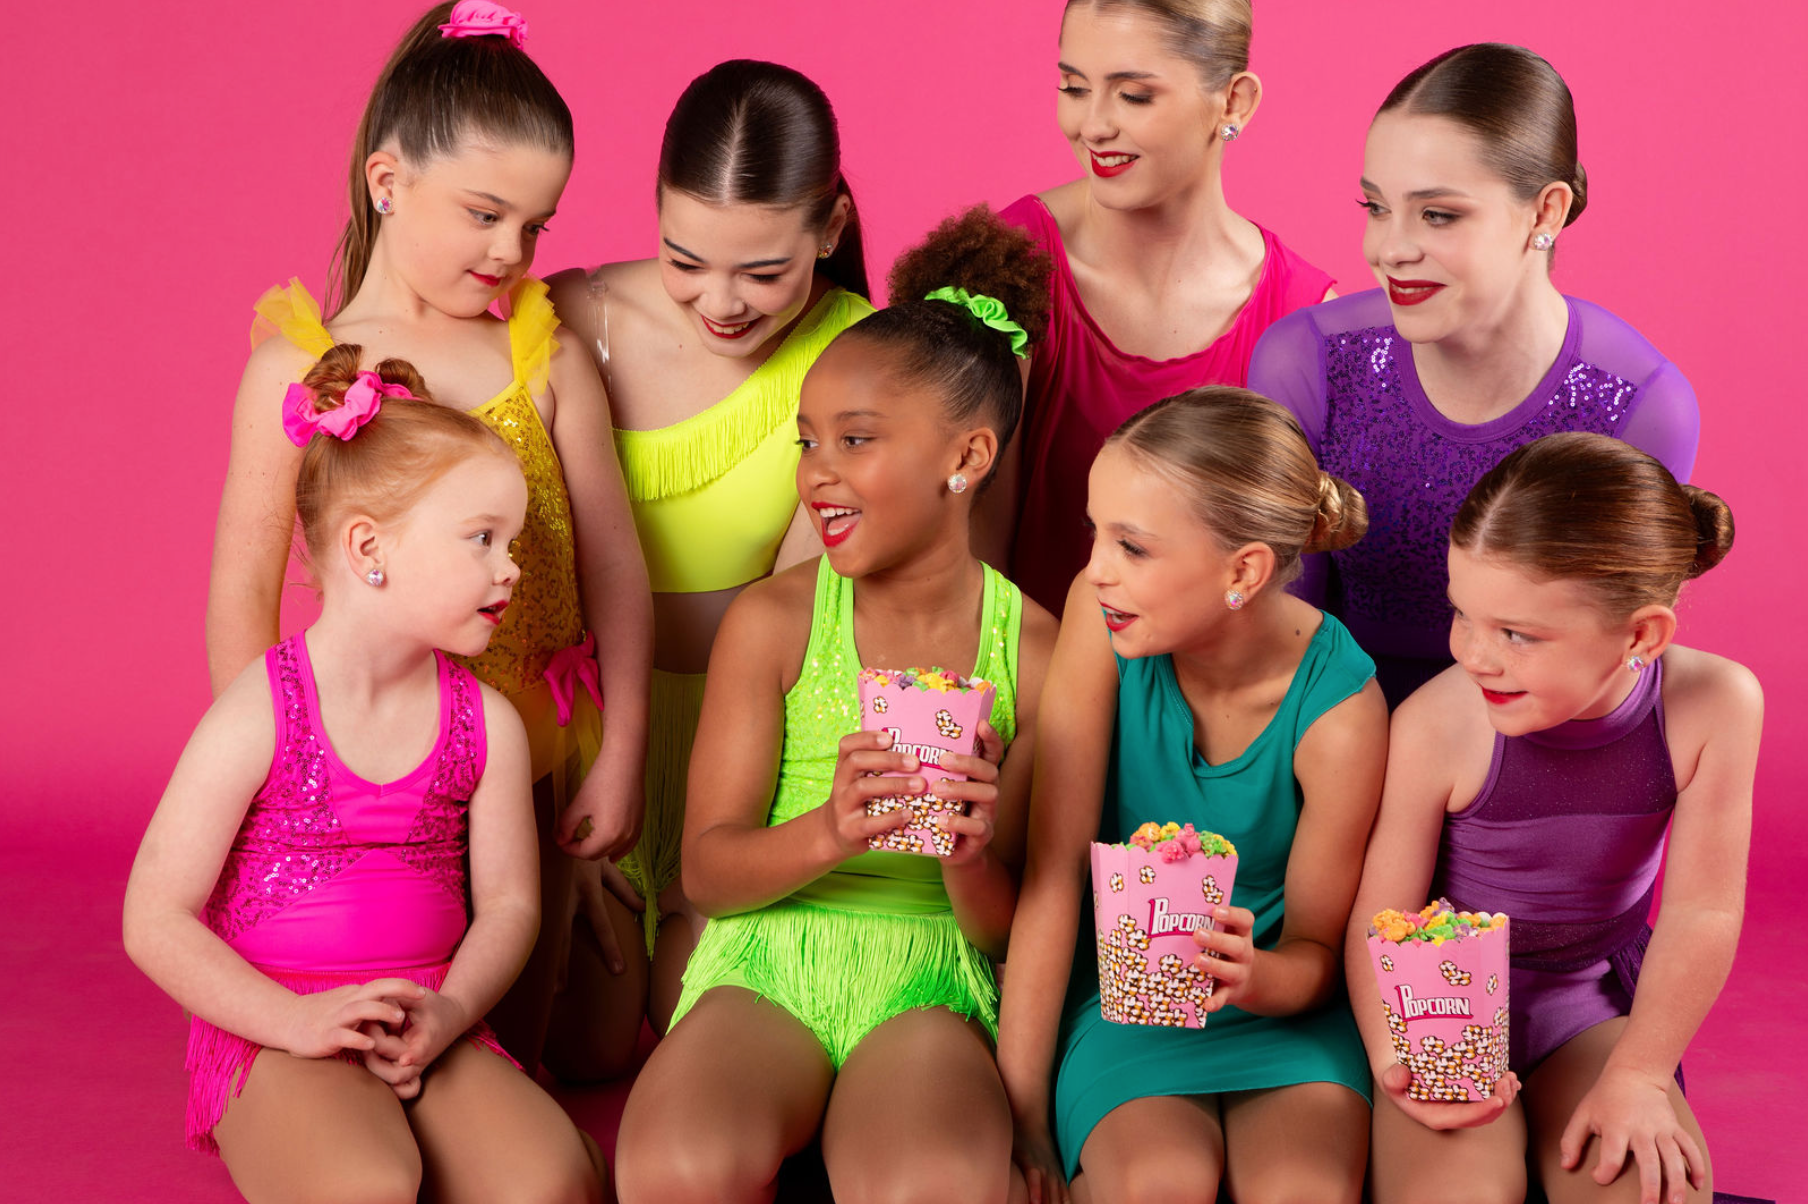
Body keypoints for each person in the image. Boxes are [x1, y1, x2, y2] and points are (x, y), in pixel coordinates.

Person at [204, 0, 652, 1073]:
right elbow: (242, 594)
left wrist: (621, 750)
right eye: (486, 214)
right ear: (387, 180)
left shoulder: (543, 358)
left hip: (524, 758)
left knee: (571, 1049)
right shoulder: (299, 368)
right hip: (370, 761)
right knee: (383, 1043)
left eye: (536, 227)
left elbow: (614, 568)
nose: (512, 251)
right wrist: (281, 775)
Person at [613, 207, 1058, 1204]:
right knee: (669, 1168)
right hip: (767, 954)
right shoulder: (773, 622)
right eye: (808, 439)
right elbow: (708, 873)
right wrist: (829, 828)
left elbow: (1013, 933)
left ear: (966, 459)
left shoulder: (1035, 648)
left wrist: (968, 854)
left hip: (931, 973)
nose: (817, 472)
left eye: (854, 441)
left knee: (933, 1183)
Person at [124, 349, 601, 1202]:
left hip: (428, 1011)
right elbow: (153, 916)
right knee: (368, 1186)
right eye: (482, 539)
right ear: (369, 547)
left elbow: (511, 906)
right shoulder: (259, 712)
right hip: (274, 1020)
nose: (512, 568)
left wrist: (451, 1012)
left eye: (513, 541)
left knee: (553, 1183)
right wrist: (296, 1022)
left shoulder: (486, 722)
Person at [544, 59, 873, 1074]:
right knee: (587, 1045)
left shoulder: (859, 356)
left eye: (763, 272)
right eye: (685, 259)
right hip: (585, 734)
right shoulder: (571, 320)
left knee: (707, 1033)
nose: (719, 303)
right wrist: (561, 809)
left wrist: (740, 834)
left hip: (748, 742)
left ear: (829, 229)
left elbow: (793, 616)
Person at [1345, 432, 1757, 1204]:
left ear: (1640, 635)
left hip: (1586, 1003)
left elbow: (1703, 908)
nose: (1474, 655)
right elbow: (1382, 914)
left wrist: (1637, 1074)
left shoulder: (1717, 705)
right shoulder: (1438, 721)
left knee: (1652, 1192)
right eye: (1463, 615)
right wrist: (1396, 1058)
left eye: (1516, 635)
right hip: (1440, 1001)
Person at [999, 388, 1385, 1204]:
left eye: (1132, 547)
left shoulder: (1342, 715)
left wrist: (1252, 975)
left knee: (1302, 1192)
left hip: (1284, 1018)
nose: (1096, 567)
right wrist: (1023, 1113)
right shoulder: (1100, 619)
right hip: (1125, 1007)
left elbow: (1316, 955)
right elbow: (1053, 876)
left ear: (1242, 570)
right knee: (1157, 1184)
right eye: (1094, 532)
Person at [1249, 43, 1699, 706]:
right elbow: (1281, 636)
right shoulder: (1307, 362)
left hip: (1533, 755)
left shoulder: (1640, 407)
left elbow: (1604, 669)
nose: (1390, 249)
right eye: (1376, 207)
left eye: (1438, 214)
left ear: (1545, 212)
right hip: (1330, 738)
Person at [997, 0, 1335, 612]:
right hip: (1023, 689)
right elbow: (969, 555)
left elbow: (1291, 596)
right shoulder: (1003, 265)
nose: (1092, 125)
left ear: (1234, 102)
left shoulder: (1303, 316)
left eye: (1133, 95)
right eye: (1074, 87)